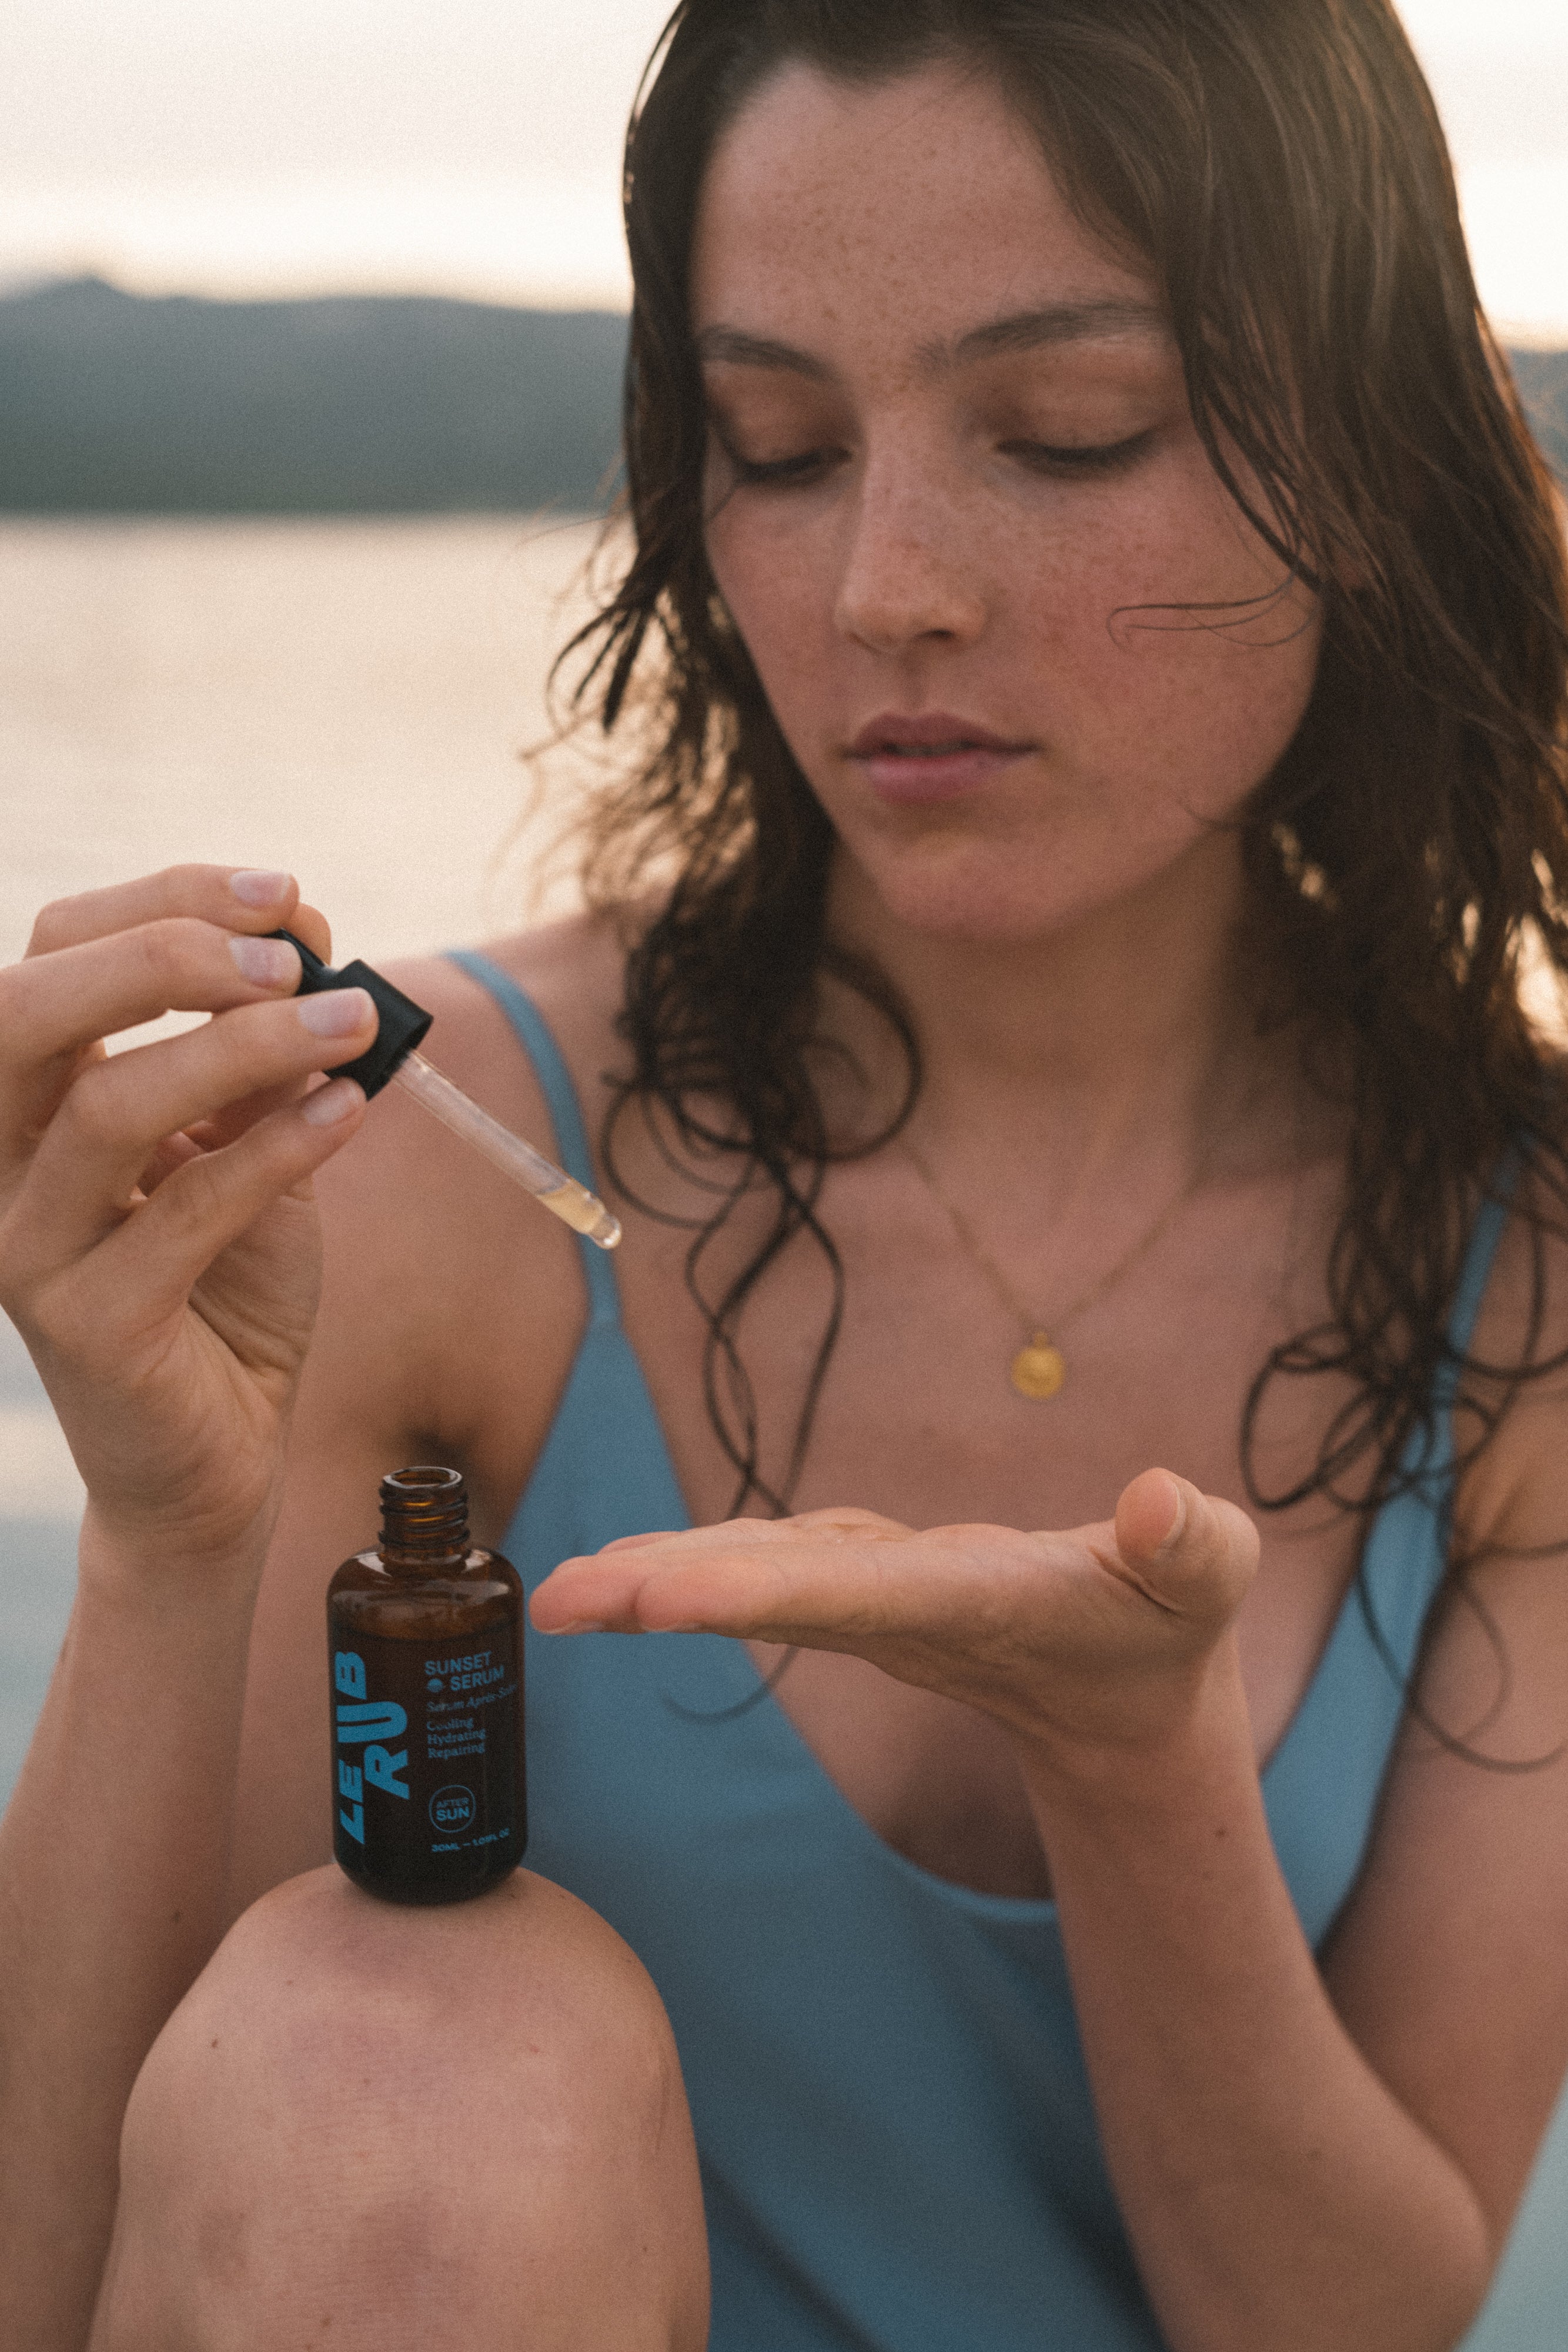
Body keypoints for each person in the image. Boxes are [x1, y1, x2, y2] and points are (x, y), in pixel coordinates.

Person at [3, 2, 1567, 2346]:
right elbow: (92, 2271)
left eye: (1067, 429)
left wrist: (1133, 1768)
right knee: (394, 2046)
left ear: (1356, 457)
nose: (881, 591)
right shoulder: (428, 1181)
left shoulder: (1521, 1265)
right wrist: (165, 1541)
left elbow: (1353, 2320)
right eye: (780, 446)